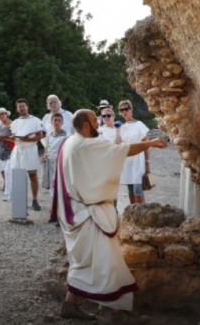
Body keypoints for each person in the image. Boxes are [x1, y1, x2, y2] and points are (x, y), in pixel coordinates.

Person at [52, 109, 168, 320]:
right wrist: (150, 144)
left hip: (73, 213)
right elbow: (121, 150)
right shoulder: (86, 144)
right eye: (95, 121)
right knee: (106, 261)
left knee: (83, 263)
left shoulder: (68, 143)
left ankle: (70, 305)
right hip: (89, 215)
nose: (98, 124)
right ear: (86, 125)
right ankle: (115, 310)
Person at [10, 98, 45, 211]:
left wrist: (27, 140)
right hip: (18, 150)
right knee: (19, 176)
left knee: (32, 175)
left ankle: (35, 200)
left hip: (30, 150)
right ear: (17, 109)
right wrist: (9, 138)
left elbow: (40, 136)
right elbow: (13, 136)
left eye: (23, 106)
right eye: (19, 106)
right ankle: (20, 202)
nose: (22, 108)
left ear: (27, 107)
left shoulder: (35, 120)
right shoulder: (14, 122)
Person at [117, 100, 151, 205]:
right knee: (131, 190)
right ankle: (133, 214)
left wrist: (147, 162)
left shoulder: (138, 124)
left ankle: (142, 214)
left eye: (126, 109)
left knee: (138, 189)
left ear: (131, 110)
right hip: (127, 162)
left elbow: (146, 144)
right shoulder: (121, 127)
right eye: (121, 110)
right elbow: (118, 145)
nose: (124, 111)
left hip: (138, 160)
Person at [41, 95, 74, 192]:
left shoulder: (68, 115)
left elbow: (75, 132)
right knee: (52, 180)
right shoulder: (46, 117)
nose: (53, 104)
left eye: (55, 102)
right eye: (50, 103)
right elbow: (46, 136)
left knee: (65, 180)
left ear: (59, 103)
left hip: (65, 151)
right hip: (51, 153)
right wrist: (45, 153)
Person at [41, 112, 68, 204]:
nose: (57, 122)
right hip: (50, 162)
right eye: (55, 120)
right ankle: (54, 205)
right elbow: (47, 148)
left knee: (60, 184)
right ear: (51, 122)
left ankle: (61, 205)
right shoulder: (49, 136)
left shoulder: (66, 136)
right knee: (51, 184)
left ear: (62, 123)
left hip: (60, 162)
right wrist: (44, 156)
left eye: (59, 120)